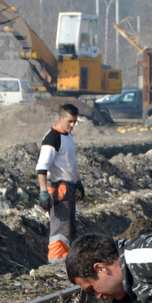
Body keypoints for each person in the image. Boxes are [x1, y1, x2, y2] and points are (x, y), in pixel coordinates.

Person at [37, 104, 84, 263]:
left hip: (69, 187)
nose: (72, 125)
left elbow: (70, 163)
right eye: (70, 121)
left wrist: (78, 182)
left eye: (75, 121)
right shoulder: (52, 138)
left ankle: (66, 261)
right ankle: (55, 262)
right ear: (60, 118)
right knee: (60, 229)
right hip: (59, 189)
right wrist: (43, 192)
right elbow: (42, 168)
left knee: (69, 228)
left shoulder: (68, 136)